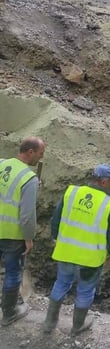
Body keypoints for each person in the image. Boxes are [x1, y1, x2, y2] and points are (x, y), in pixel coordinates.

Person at [43, 163, 110, 336]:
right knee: (85, 290)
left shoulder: (71, 193)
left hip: (66, 252)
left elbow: (56, 219)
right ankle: (77, 327)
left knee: (61, 284)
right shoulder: (109, 204)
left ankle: (49, 324)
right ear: (104, 181)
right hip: (90, 259)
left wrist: (56, 238)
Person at [0, 136, 46, 326]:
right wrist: (28, 238)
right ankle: (9, 312)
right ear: (30, 152)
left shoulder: (2, 164)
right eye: (40, 154)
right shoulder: (29, 178)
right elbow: (27, 215)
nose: (41, 159)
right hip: (12, 234)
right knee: (12, 272)